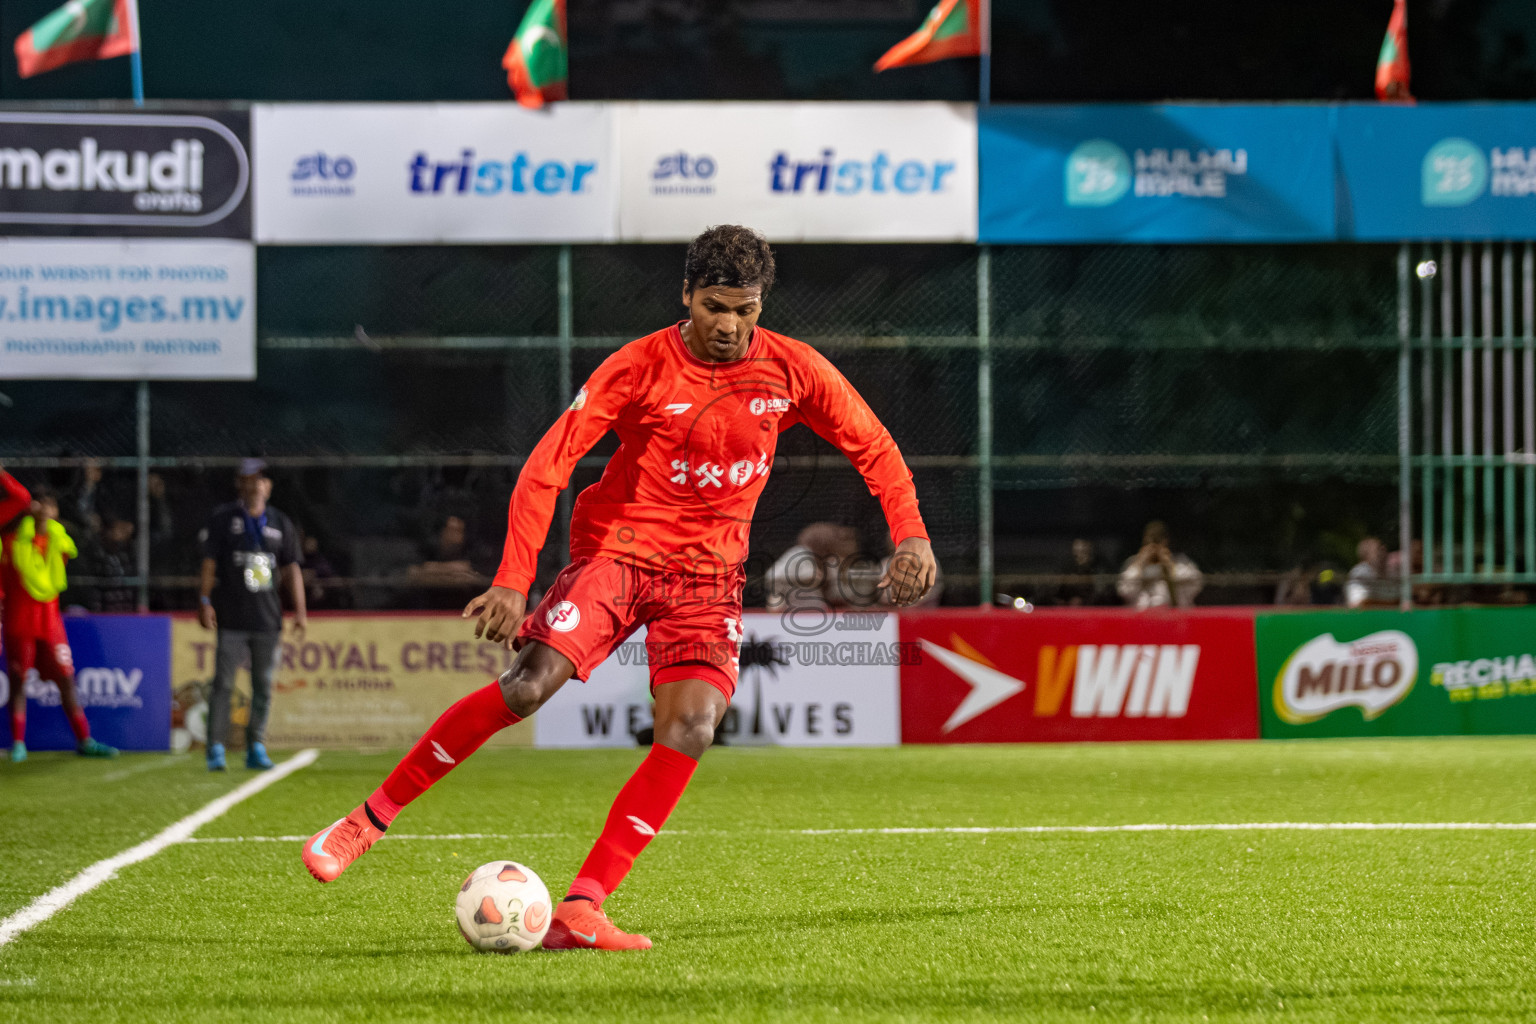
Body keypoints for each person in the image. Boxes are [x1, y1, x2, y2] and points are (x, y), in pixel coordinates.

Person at [300, 225, 938, 951]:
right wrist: (513, 579)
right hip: (619, 555)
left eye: (746, 309)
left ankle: (582, 906)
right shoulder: (638, 368)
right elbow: (549, 464)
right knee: (525, 688)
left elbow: (875, 446)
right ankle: (366, 821)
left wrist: (911, 534)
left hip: (707, 581)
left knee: (694, 726)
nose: (730, 326)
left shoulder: (792, 368)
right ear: (687, 297)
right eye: (714, 307)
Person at [197, 459, 306, 772]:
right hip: (231, 617)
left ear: (267, 486)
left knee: (263, 685)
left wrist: (299, 611)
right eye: (246, 480)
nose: (252, 485)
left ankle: (255, 746)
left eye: (258, 480)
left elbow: (292, 569)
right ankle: (215, 747)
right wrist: (205, 600)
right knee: (223, 685)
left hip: (267, 619)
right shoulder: (222, 519)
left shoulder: (280, 522)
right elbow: (209, 563)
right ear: (238, 485)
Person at [1, 479, 118, 762]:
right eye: (38, 504)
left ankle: (84, 739)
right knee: (18, 680)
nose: (44, 509)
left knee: (66, 679)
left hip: (50, 621)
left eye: (50, 504)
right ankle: (18, 744)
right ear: (29, 509)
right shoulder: (10, 543)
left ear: (55, 511)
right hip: (20, 619)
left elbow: (58, 581)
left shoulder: (61, 541)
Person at [1117, 520, 1202, 609]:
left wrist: (1169, 566)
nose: (1154, 547)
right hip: (1143, 617)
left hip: (1174, 615)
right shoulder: (1133, 563)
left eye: (1157, 541)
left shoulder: (1181, 562)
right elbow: (1124, 592)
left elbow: (1195, 587)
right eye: (1149, 542)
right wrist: (1140, 565)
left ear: (1166, 541)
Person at [1054, 537, 1114, 606]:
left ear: (1090, 549)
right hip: (1069, 609)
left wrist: (1084, 601)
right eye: (1077, 553)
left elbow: (1103, 593)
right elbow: (1059, 592)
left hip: (1094, 609)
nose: (1080, 556)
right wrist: (1066, 601)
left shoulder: (1100, 568)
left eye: (1084, 552)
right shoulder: (1068, 568)